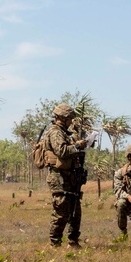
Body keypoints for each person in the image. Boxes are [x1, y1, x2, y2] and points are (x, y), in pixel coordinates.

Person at [44, 103, 88, 247]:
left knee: (75, 210)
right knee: (61, 211)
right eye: (69, 119)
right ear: (62, 118)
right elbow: (62, 151)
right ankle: (55, 243)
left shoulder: (65, 133)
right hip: (59, 178)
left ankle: (73, 241)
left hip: (70, 177)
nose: (71, 122)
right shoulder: (55, 132)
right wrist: (77, 146)